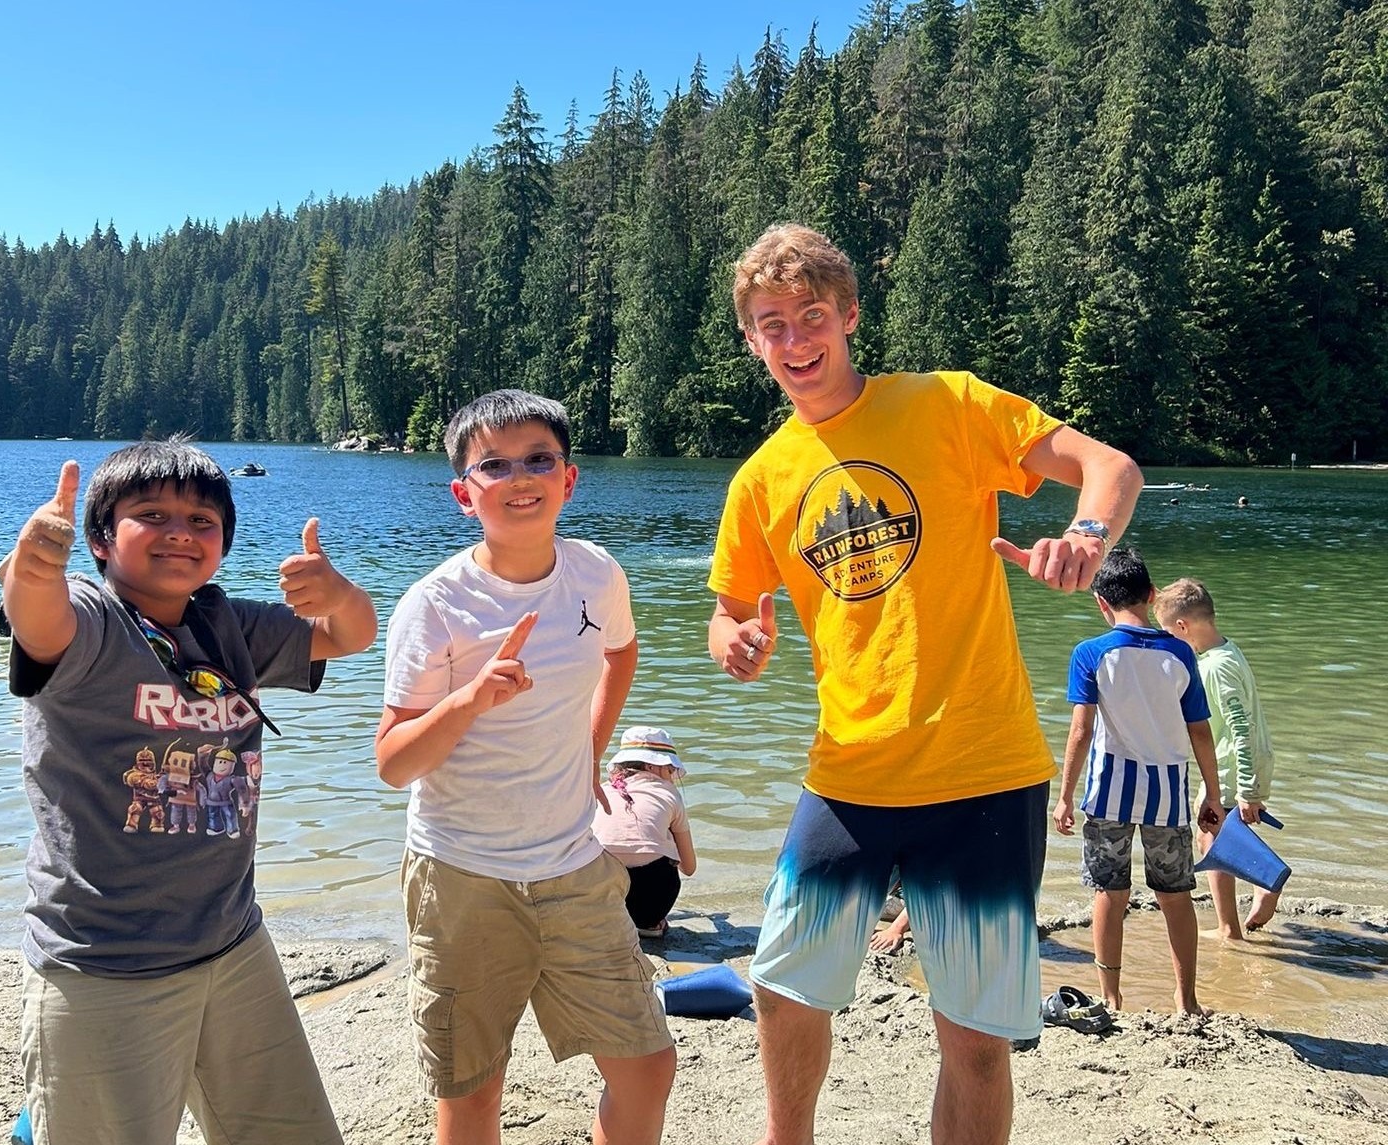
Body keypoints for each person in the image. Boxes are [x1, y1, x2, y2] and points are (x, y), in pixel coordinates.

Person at [708, 222, 1144, 1145]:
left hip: (982, 770)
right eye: (772, 324)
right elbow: (729, 607)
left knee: (976, 1042)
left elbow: (1110, 468)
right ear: (751, 340)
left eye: (812, 315)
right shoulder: (760, 479)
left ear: (851, 315)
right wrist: (734, 637)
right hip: (848, 775)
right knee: (782, 991)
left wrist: (1085, 538)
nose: (794, 340)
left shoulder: (947, 405)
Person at [0, 436, 378, 1145]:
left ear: (224, 543)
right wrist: (32, 566)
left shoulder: (227, 624)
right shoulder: (93, 616)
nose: (181, 531)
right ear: (102, 540)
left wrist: (342, 594)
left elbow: (351, 635)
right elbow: (39, 620)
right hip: (106, 961)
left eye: (202, 521)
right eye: (151, 513)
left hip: (234, 944)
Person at [375, 389, 676, 1145]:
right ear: (462, 493)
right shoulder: (435, 605)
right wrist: (469, 702)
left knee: (647, 1065)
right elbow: (392, 761)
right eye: (494, 464)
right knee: (473, 1094)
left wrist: (591, 748)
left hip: (576, 867)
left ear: (569, 479)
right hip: (461, 877)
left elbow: (621, 650)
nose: (519, 477)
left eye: (539, 458)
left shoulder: (596, 573)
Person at [1054, 548, 1224, 1015]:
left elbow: (1081, 730)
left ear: (1100, 602)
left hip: (1109, 791)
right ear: (1151, 595)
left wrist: (1065, 796)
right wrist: (1213, 792)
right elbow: (1200, 731)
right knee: (1175, 895)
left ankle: (1111, 997)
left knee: (1109, 891)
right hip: (1167, 794)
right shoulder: (1180, 653)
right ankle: (1186, 998)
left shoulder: (1091, 653)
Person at [1155, 577, 1280, 937]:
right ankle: (1257, 891)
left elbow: (1240, 727)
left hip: (1231, 767)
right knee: (1220, 832)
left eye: (1168, 632)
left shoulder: (1215, 666)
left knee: (1212, 833)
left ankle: (1236, 919)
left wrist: (1247, 788)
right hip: (1240, 763)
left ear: (1183, 626)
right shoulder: (1226, 651)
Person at [592, 725, 698, 938]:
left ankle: (602, 923)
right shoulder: (669, 794)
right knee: (666, 860)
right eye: (669, 769)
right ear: (652, 767)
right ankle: (649, 925)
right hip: (649, 907)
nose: (671, 776)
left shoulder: (601, 790)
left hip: (599, 901)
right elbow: (689, 868)